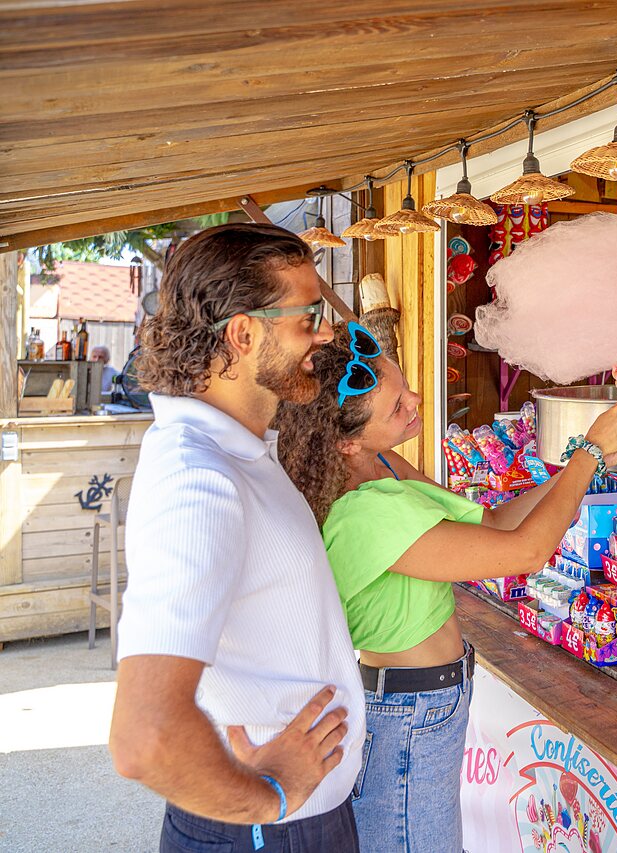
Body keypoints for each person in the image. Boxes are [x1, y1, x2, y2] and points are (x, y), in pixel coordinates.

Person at [273, 323, 617, 852]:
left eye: (406, 388)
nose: (416, 401)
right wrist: (587, 457)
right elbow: (523, 553)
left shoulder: (378, 466)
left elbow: (493, 524)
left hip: (426, 701)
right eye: (398, 406)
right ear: (347, 441)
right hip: (406, 712)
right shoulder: (363, 515)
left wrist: (583, 465)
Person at [110, 223, 366, 852]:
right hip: (265, 828)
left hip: (293, 818)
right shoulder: (199, 479)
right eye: (309, 316)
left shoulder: (235, 456)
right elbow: (144, 737)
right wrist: (270, 797)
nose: (327, 333)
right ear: (244, 333)